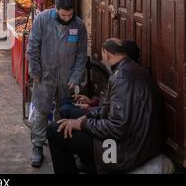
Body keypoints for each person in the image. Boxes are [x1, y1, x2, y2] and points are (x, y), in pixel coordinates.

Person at [47, 38, 165, 174]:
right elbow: (107, 108)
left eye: (103, 55)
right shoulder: (130, 69)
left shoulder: (122, 78)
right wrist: (84, 119)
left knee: (54, 131)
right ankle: (89, 164)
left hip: (125, 151)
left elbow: (117, 128)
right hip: (134, 142)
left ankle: (89, 164)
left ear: (107, 54)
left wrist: (83, 124)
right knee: (68, 121)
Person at [26, 0, 88, 168]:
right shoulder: (42, 20)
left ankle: (61, 144)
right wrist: (35, 70)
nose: (67, 18)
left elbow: (82, 54)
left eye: (70, 15)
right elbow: (33, 46)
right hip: (45, 75)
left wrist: (76, 77)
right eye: (63, 15)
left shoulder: (79, 26)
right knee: (41, 110)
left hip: (67, 78)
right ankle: (37, 145)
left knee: (64, 111)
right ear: (56, 9)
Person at [60, 40, 142, 120]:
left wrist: (89, 110)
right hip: (100, 112)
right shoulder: (123, 72)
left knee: (65, 109)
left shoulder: (123, 78)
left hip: (103, 119)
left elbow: (112, 115)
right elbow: (110, 103)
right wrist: (92, 102)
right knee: (65, 101)